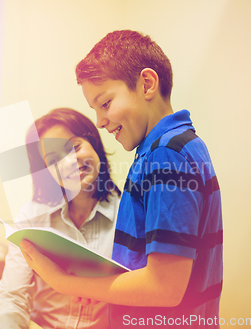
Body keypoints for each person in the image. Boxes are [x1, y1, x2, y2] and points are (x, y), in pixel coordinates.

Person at [19, 30, 223, 328]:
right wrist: (104, 288)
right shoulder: (173, 146)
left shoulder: (166, 155)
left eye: (105, 104)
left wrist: (64, 282)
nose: (100, 122)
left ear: (147, 84)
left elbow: (164, 287)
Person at [0, 108, 122, 329]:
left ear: (95, 145)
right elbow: (13, 297)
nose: (69, 162)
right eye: (53, 160)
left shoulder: (129, 214)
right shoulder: (32, 216)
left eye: (75, 146)